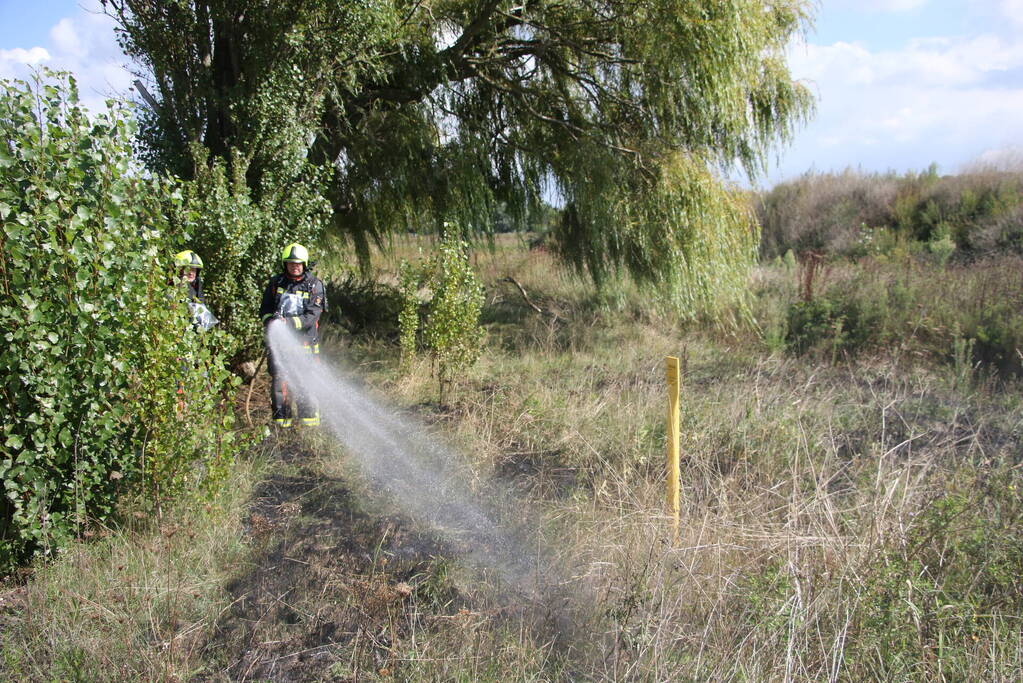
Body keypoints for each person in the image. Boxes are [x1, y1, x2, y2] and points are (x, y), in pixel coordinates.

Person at [259, 243, 326, 428]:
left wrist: (288, 323)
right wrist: (271, 322)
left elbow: (312, 316)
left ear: (304, 265)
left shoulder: (314, 286)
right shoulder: (276, 283)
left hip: (305, 344)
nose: (294, 266)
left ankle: (309, 425)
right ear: (285, 264)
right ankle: (282, 427)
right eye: (290, 263)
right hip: (280, 347)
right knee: (280, 383)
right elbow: (265, 310)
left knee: (306, 383)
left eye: (298, 264)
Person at [173, 250, 218, 330]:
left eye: (194, 269)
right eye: (188, 269)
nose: (191, 273)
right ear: (179, 270)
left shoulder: (196, 289)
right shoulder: (171, 289)